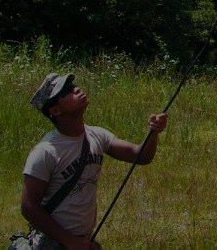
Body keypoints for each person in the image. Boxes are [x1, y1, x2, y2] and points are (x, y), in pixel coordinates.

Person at [20, 73, 168, 250]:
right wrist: (69, 241)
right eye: (66, 91)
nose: (75, 89)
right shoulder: (46, 151)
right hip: (52, 243)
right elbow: (29, 207)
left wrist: (153, 133)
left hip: (81, 241)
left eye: (72, 85)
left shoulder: (97, 135)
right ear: (55, 111)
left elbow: (140, 156)